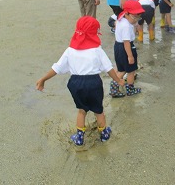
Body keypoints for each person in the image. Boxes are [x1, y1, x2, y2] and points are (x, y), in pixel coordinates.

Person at [35, 16, 125, 146]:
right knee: (98, 110)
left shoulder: (70, 50)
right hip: (93, 83)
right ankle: (104, 134)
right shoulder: (97, 50)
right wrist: (118, 80)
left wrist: (43, 79)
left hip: (75, 83)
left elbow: (57, 68)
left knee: (82, 110)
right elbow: (109, 68)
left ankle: (79, 137)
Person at [110, 0, 145, 97]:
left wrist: (135, 24)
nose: (136, 19)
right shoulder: (126, 26)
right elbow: (126, 43)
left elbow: (132, 23)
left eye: (138, 16)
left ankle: (114, 88)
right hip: (126, 48)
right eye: (135, 16)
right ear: (127, 13)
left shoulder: (121, 19)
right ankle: (130, 89)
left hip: (118, 47)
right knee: (131, 71)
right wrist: (130, 56)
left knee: (121, 70)